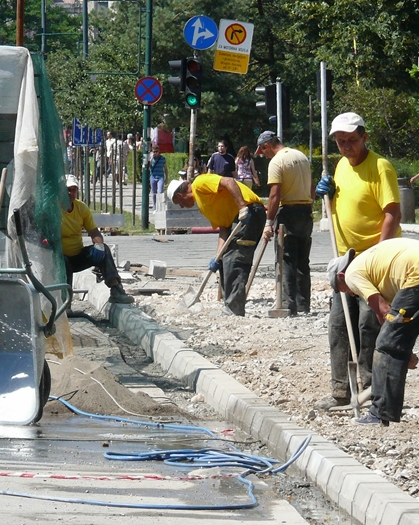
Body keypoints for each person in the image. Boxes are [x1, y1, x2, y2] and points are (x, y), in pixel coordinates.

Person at [314, 112, 401, 411]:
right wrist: (326, 193)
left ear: (365, 137)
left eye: (352, 140)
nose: (347, 146)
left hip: (374, 258)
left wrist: (377, 256)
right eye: (341, 142)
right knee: (339, 323)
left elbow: (392, 214)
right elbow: (341, 202)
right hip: (345, 259)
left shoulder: (380, 167)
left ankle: (369, 388)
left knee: (367, 322)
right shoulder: (340, 166)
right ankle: (340, 390)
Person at [328, 238, 419, 427]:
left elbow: (385, 312)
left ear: (342, 276)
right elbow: (389, 317)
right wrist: (404, 349)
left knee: (386, 347)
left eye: (343, 290)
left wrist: (401, 351)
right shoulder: (374, 265)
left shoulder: (353, 274)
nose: (350, 294)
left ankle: (380, 413)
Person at [166, 174, 265, 316]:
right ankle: (229, 305)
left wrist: (242, 207)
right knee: (225, 259)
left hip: (250, 212)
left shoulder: (199, 183)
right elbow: (224, 228)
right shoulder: (202, 205)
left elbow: (228, 181)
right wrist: (217, 256)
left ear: (180, 195)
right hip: (239, 218)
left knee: (234, 259)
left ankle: (234, 309)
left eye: (179, 203)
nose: (182, 206)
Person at [256, 131, 313, 315]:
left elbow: (275, 195)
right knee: (303, 261)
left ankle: (289, 306)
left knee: (286, 259)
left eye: (262, 151)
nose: (263, 155)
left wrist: (268, 222)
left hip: (288, 212)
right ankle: (304, 306)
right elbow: (311, 186)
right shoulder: (301, 156)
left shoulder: (277, 162)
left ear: (267, 145)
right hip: (306, 212)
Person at [62, 174, 133, 304]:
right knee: (64, 262)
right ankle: (65, 303)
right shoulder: (53, 208)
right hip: (59, 259)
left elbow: (94, 232)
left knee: (104, 250)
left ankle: (116, 289)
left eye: (73, 190)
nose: (70, 193)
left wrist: (99, 245)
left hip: (77, 256)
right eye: (67, 189)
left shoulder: (81, 208)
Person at [148, 144, 168, 211]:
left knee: (160, 192)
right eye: (154, 152)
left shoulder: (162, 158)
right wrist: (151, 159)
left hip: (160, 177)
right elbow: (148, 166)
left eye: (156, 151)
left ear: (159, 151)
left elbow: (165, 169)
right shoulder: (151, 158)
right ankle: (155, 207)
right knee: (154, 193)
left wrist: (166, 178)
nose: (155, 153)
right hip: (153, 177)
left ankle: (160, 207)